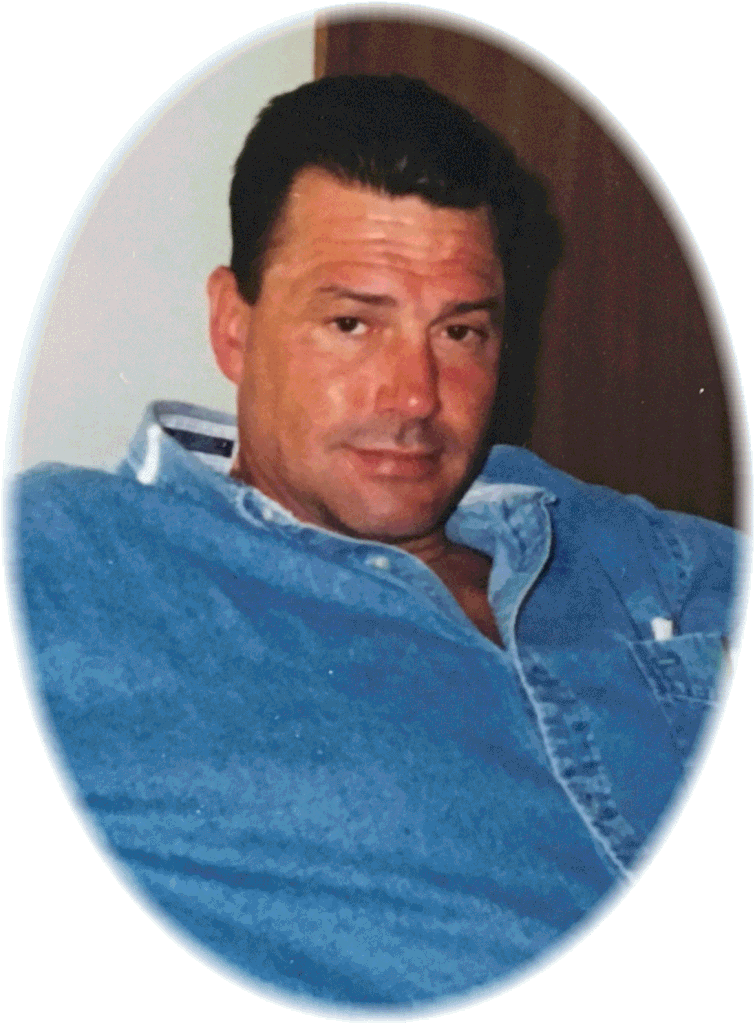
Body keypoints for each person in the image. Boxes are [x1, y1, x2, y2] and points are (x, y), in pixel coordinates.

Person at [12, 75, 739, 1007]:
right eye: (352, 324)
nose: (414, 396)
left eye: (460, 332)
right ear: (233, 327)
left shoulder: (635, 549)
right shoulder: (67, 560)